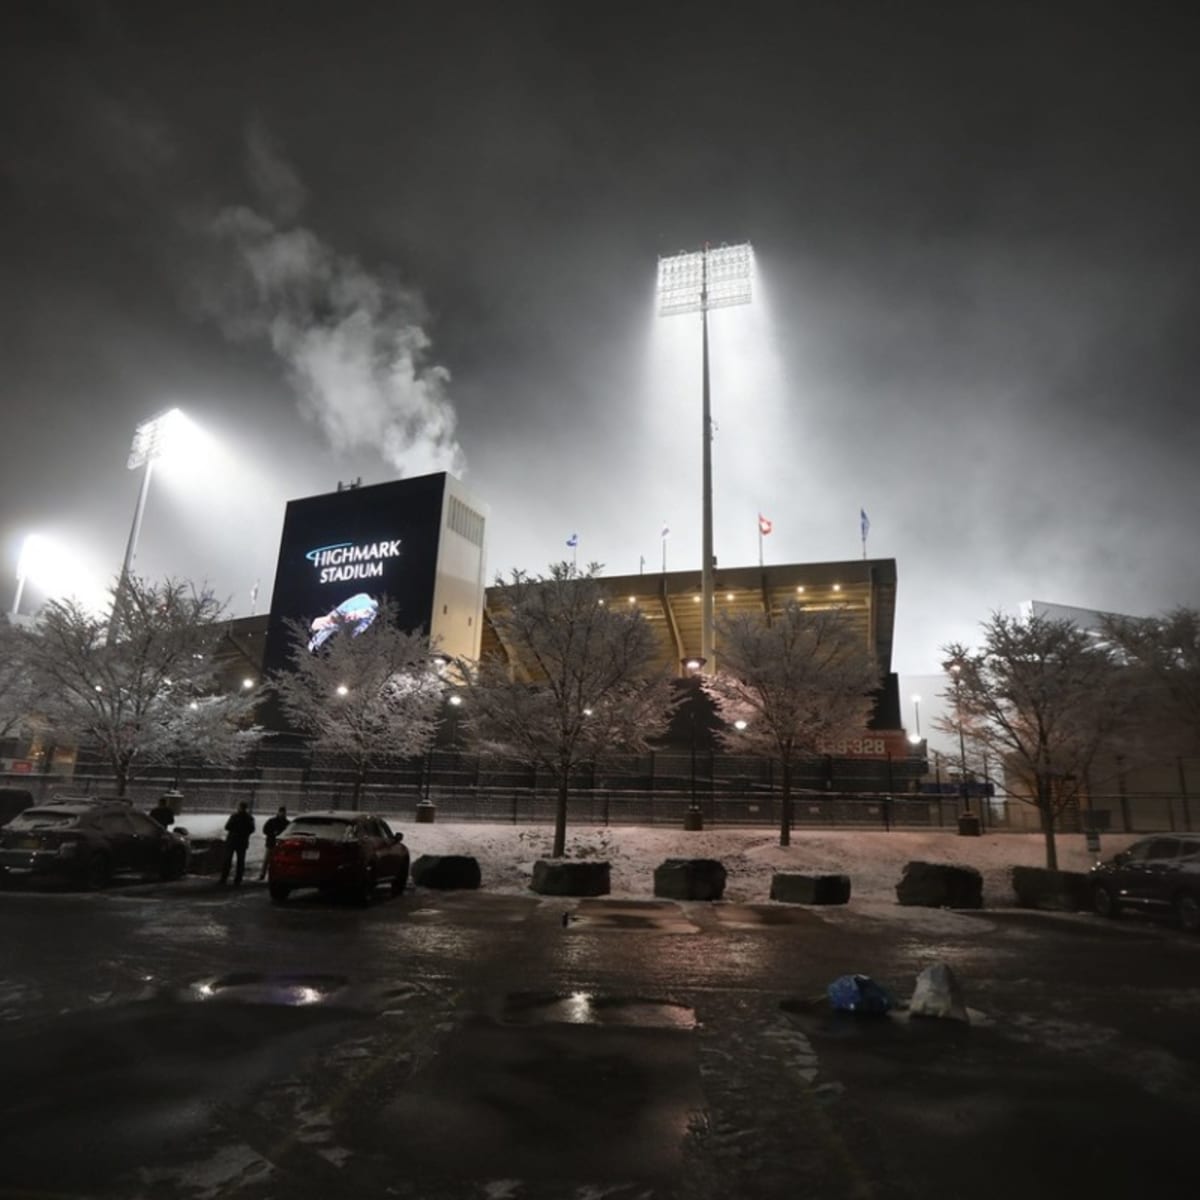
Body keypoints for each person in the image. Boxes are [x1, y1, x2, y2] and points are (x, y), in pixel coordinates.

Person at [220, 800, 256, 886]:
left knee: (227, 860)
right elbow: (251, 829)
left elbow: (227, 827)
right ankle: (238, 879)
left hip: (232, 840)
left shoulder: (234, 816)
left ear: (239, 807)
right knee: (240, 861)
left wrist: (235, 829)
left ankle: (224, 878)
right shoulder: (249, 818)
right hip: (242, 841)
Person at [258, 805, 290, 880]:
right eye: (281, 812)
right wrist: (272, 833)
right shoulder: (274, 821)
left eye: (283, 813)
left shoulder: (284, 822)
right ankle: (263, 874)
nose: (282, 814)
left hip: (278, 844)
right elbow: (265, 830)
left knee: (276, 860)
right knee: (267, 860)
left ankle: (273, 874)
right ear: (278, 812)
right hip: (272, 843)